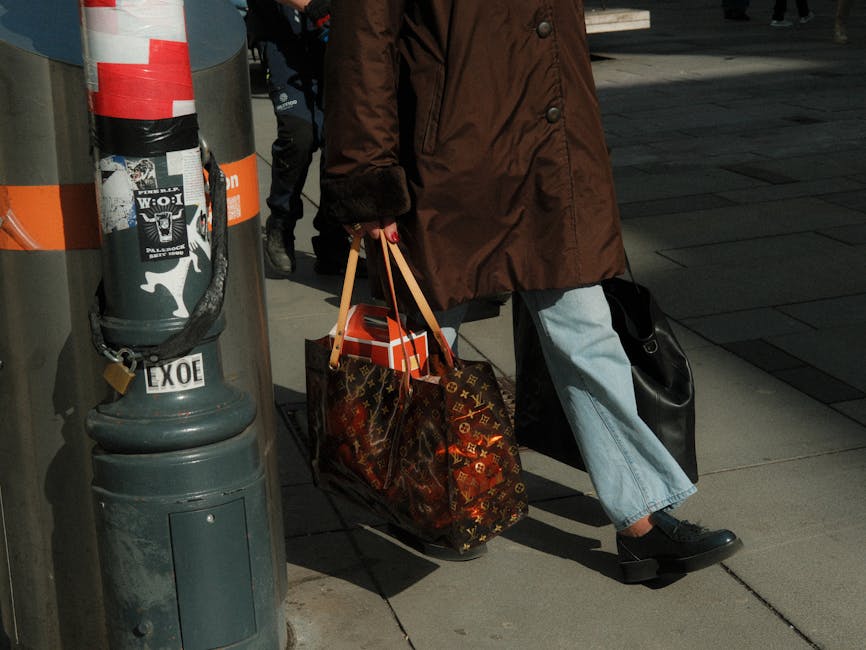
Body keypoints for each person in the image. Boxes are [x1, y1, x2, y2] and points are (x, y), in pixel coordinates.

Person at [315, 2, 743, 583]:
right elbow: (362, 46)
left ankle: (641, 518)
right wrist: (366, 175)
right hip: (451, 166)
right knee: (422, 343)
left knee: (587, 330)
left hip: (547, 159)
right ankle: (411, 494)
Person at [247, 0, 359, 276]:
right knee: (300, 134)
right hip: (285, 43)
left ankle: (333, 240)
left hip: (335, 38)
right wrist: (312, 5)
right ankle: (281, 222)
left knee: (340, 137)